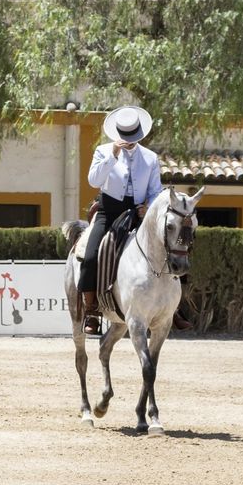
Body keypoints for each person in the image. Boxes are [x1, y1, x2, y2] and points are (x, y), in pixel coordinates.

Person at [78, 105, 162, 335]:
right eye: (125, 137)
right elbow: (94, 181)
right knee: (91, 255)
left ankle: (172, 308)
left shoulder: (150, 158)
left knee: (166, 250)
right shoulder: (103, 151)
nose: (129, 141)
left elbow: (156, 190)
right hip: (109, 211)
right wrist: (113, 155)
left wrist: (149, 207)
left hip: (138, 214)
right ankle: (92, 310)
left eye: (132, 137)